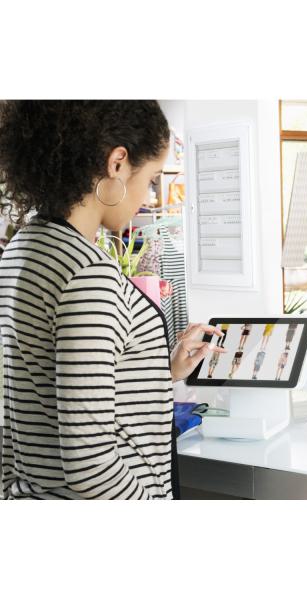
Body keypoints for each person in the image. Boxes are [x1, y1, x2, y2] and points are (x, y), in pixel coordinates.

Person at [0, 101, 226, 499]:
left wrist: (162, 370)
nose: (148, 195)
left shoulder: (24, 248)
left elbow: (37, 398)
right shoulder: (87, 272)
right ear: (117, 163)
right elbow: (90, 467)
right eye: (151, 178)